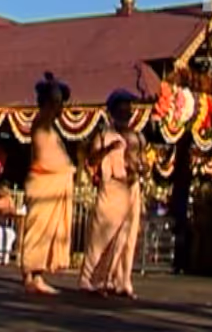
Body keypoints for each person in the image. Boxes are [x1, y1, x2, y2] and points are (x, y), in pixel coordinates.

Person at [79, 89, 144, 298]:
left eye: (129, 108)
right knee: (101, 235)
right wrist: (108, 150)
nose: (127, 112)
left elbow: (140, 159)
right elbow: (92, 161)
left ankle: (120, 280)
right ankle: (88, 279)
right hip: (111, 188)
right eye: (123, 108)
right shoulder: (104, 135)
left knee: (126, 238)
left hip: (132, 187)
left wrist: (142, 168)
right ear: (114, 112)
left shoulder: (136, 135)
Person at [19, 71, 76, 295]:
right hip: (43, 183)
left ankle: (37, 274)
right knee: (38, 230)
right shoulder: (40, 122)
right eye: (56, 102)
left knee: (46, 232)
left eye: (60, 103)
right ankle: (30, 275)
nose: (59, 108)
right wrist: (53, 88)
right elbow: (48, 111)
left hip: (54, 183)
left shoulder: (53, 129)